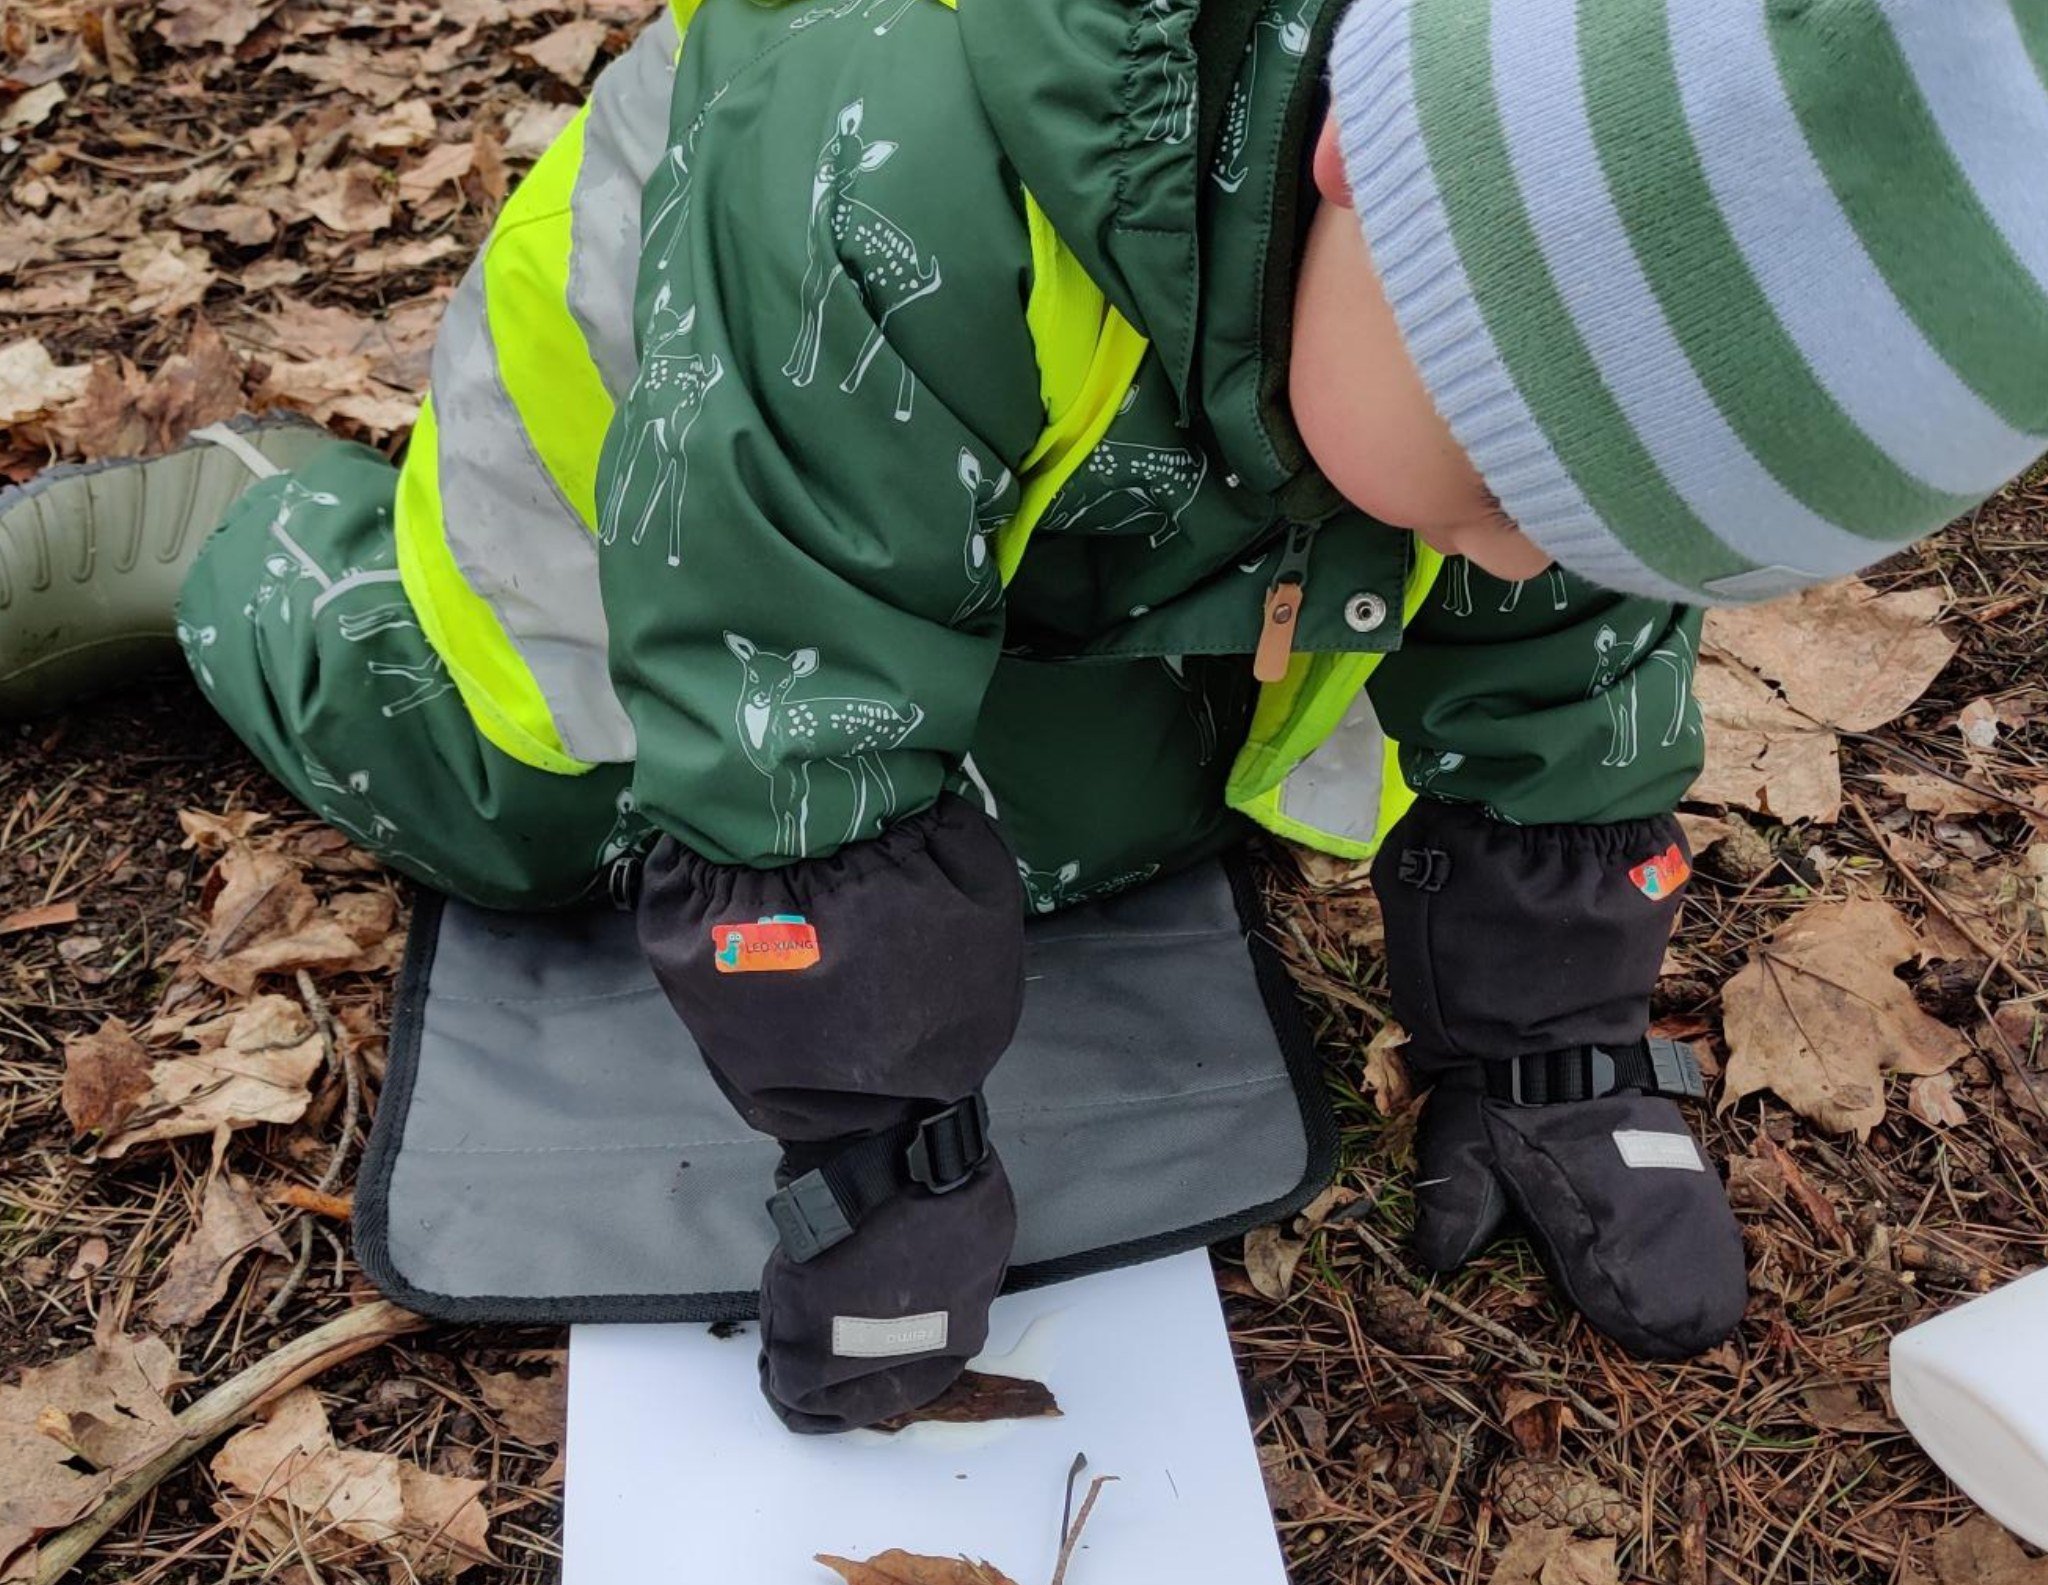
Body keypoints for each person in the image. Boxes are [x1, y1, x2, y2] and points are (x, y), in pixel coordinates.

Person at [5, 0, 2043, 1430]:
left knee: (1095, 843)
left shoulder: (1486, 358)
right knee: (531, 809)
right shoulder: (891, 152)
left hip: (1101, 516)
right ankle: (246, 538)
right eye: (1514, 474)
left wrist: (1552, 1041)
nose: (1521, 561)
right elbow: (772, 653)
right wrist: (877, 1152)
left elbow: (1563, 635)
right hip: (667, 474)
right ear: (1360, 163)